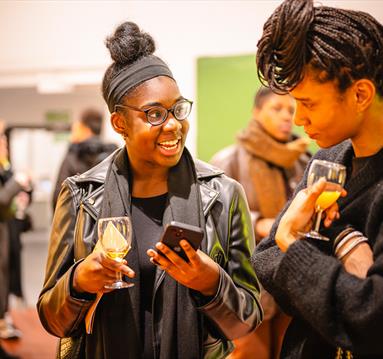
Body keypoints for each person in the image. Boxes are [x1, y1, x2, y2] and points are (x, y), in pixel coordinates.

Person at [37, 21, 262, 359]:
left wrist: (210, 282)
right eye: (154, 114)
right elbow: (51, 319)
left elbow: (247, 320)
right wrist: (79, 281)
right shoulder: (82, 196)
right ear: (119, 124)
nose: (173, 124)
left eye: (177, 109)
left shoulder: (223, 194)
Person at [252, 0, 383, 357]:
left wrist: (296, 246)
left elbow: (371, 318)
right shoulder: (327, 159)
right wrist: (345, 247)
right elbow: (264, 260)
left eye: (307, 103)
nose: (297, 119)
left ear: (360, 94)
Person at [211, 87, 310, 359]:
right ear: (256, 113)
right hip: (248, 277)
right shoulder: (228, 159)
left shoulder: (302, 159)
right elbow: (215, 216)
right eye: (276, 109)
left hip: (292, 274)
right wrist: (258, 223)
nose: (286, 117)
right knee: (250, 353)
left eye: (291, 110)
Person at [52, 108, 117, 210]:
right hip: (107, 221)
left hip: (79, 222)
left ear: (85, 128)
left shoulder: (73, 156)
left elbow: (59, 197)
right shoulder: (112, 155)